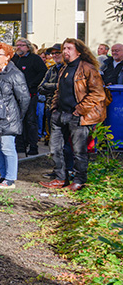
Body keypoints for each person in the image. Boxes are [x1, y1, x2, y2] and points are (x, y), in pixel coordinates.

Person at [42, 39, 108, 192]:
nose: (65, 51)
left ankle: (79, 181)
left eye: (69, 48)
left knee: (79, 152)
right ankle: (61, 178)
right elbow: (59, 90)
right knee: (56, 149)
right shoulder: (64, 68)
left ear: (78, 51)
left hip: (77, 116)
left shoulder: (87, 68)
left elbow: (98, 93)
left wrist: (81, 109)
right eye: (64, 48)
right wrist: (54, 107)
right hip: (59, 114)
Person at [0, 43, 32, 190]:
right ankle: (3, 176)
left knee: (7, 148)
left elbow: (24, 99)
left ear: (8, 57)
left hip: (8, 118)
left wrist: (16, 116)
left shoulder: (15, 74)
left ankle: (10, 179)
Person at [11, 38, 48, 156]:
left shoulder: (35, 59)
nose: (19, 47)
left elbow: (43, 72)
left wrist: (32, 84)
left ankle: (33, 145)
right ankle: (20, 145)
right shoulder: (14, 59)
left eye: (21, 45)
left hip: (30, 93)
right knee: (18, 120)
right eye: (17, 45)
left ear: (28, 47)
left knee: (31, 120)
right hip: (16, 94)